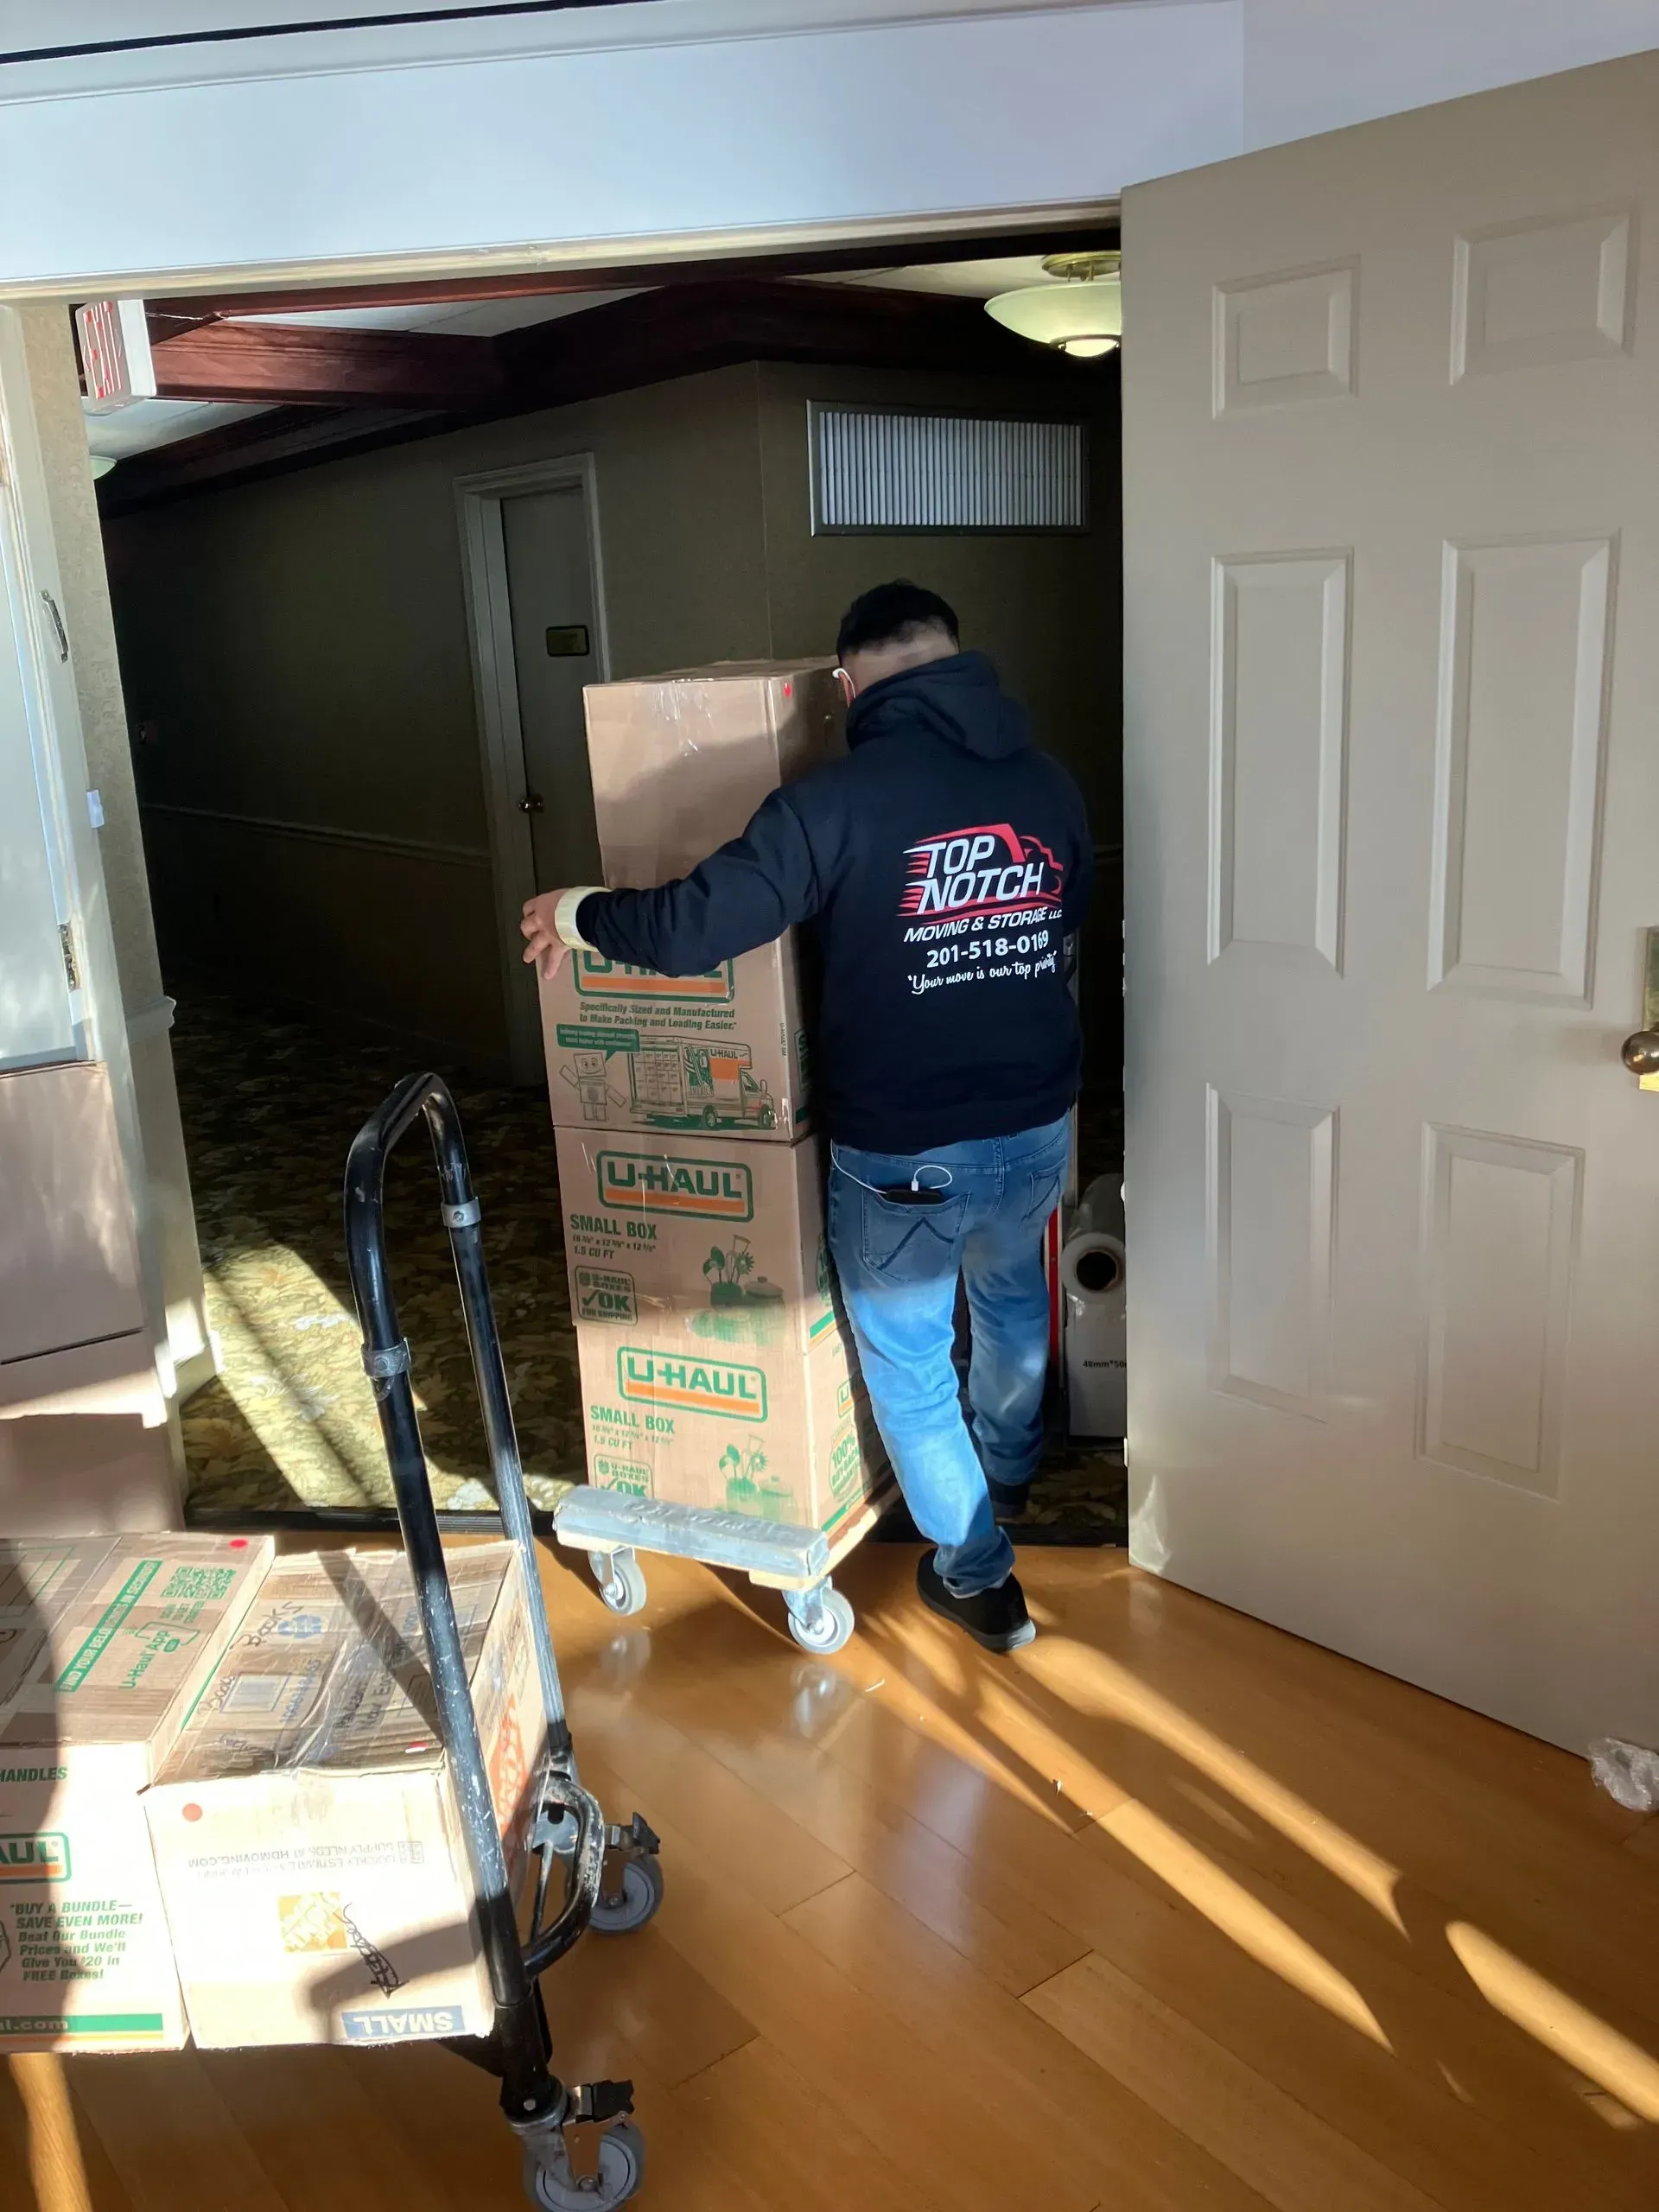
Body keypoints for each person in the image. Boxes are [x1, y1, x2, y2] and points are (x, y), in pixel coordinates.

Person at [521, 583, 1092, 1652]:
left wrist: (576, 914)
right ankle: (1009, 1470)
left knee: (915, 1364)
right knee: (1013, 1297)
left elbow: (697, 929)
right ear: (956, 656)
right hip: (1033, 1123)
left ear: (846, 685)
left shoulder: (836, 803)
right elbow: (1065, 921)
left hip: (902, 1146)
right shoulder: (1049, 783)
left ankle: (980, 1578)